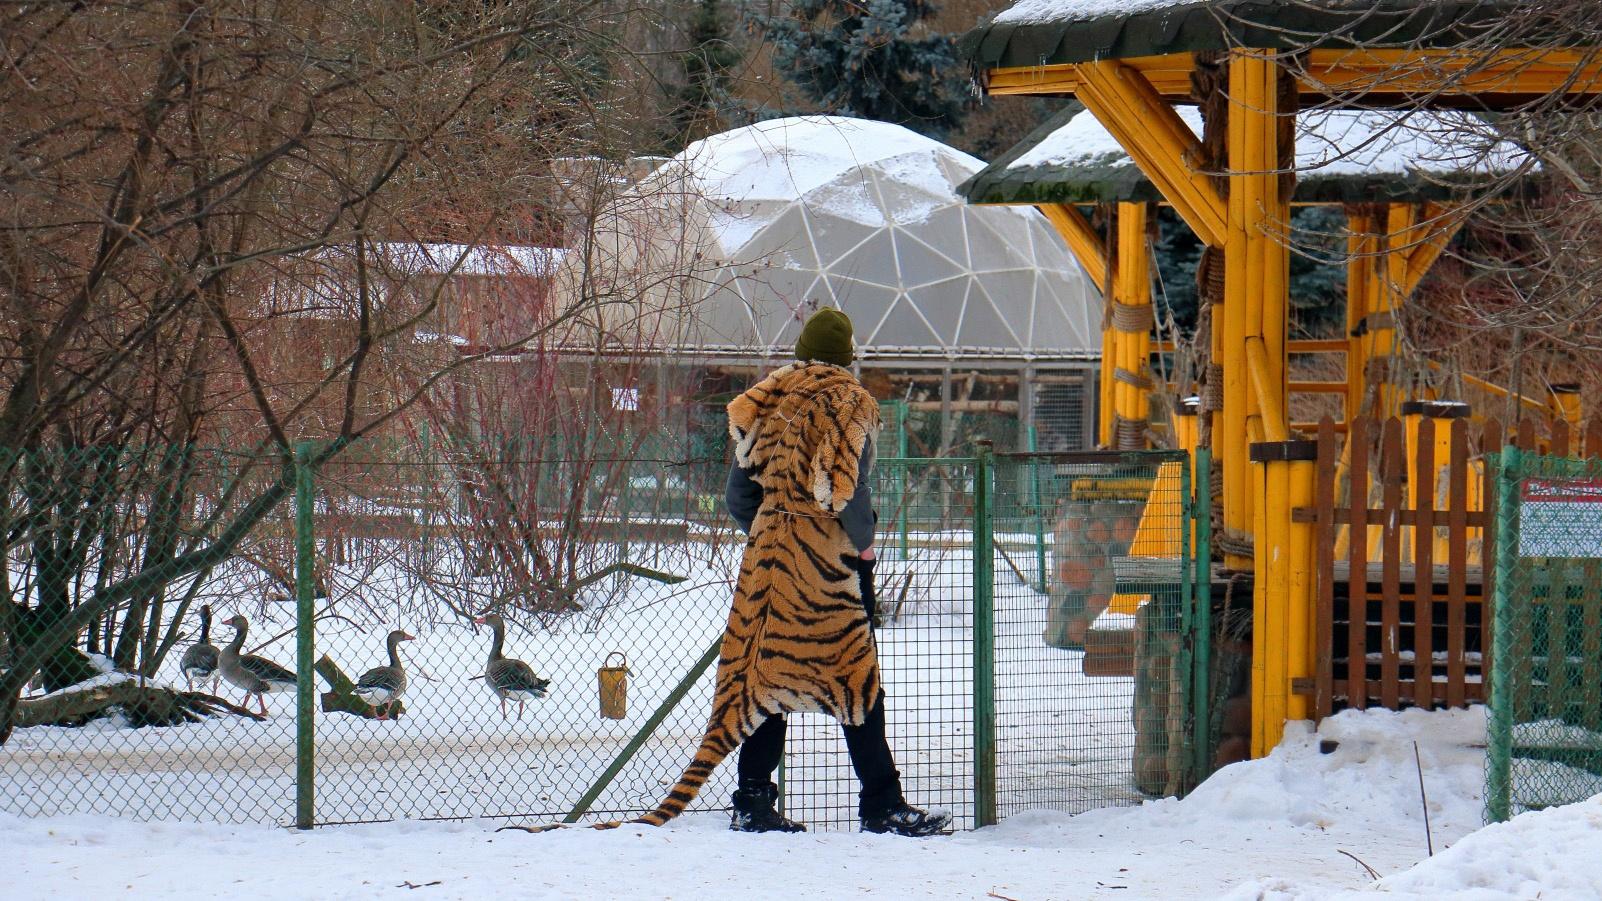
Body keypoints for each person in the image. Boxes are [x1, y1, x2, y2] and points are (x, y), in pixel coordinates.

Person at [722, 308, 952, 837]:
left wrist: (770, 534)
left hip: (772, 566)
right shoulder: (851, 403)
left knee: (768, 676)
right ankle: (882, 805)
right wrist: (863, 540)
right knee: (856, 680)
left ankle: (752, 802)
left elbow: (739, 496)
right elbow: (850, 492)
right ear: (849, 356)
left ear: (800, 350)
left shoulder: (765, 401)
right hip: (831, 570)